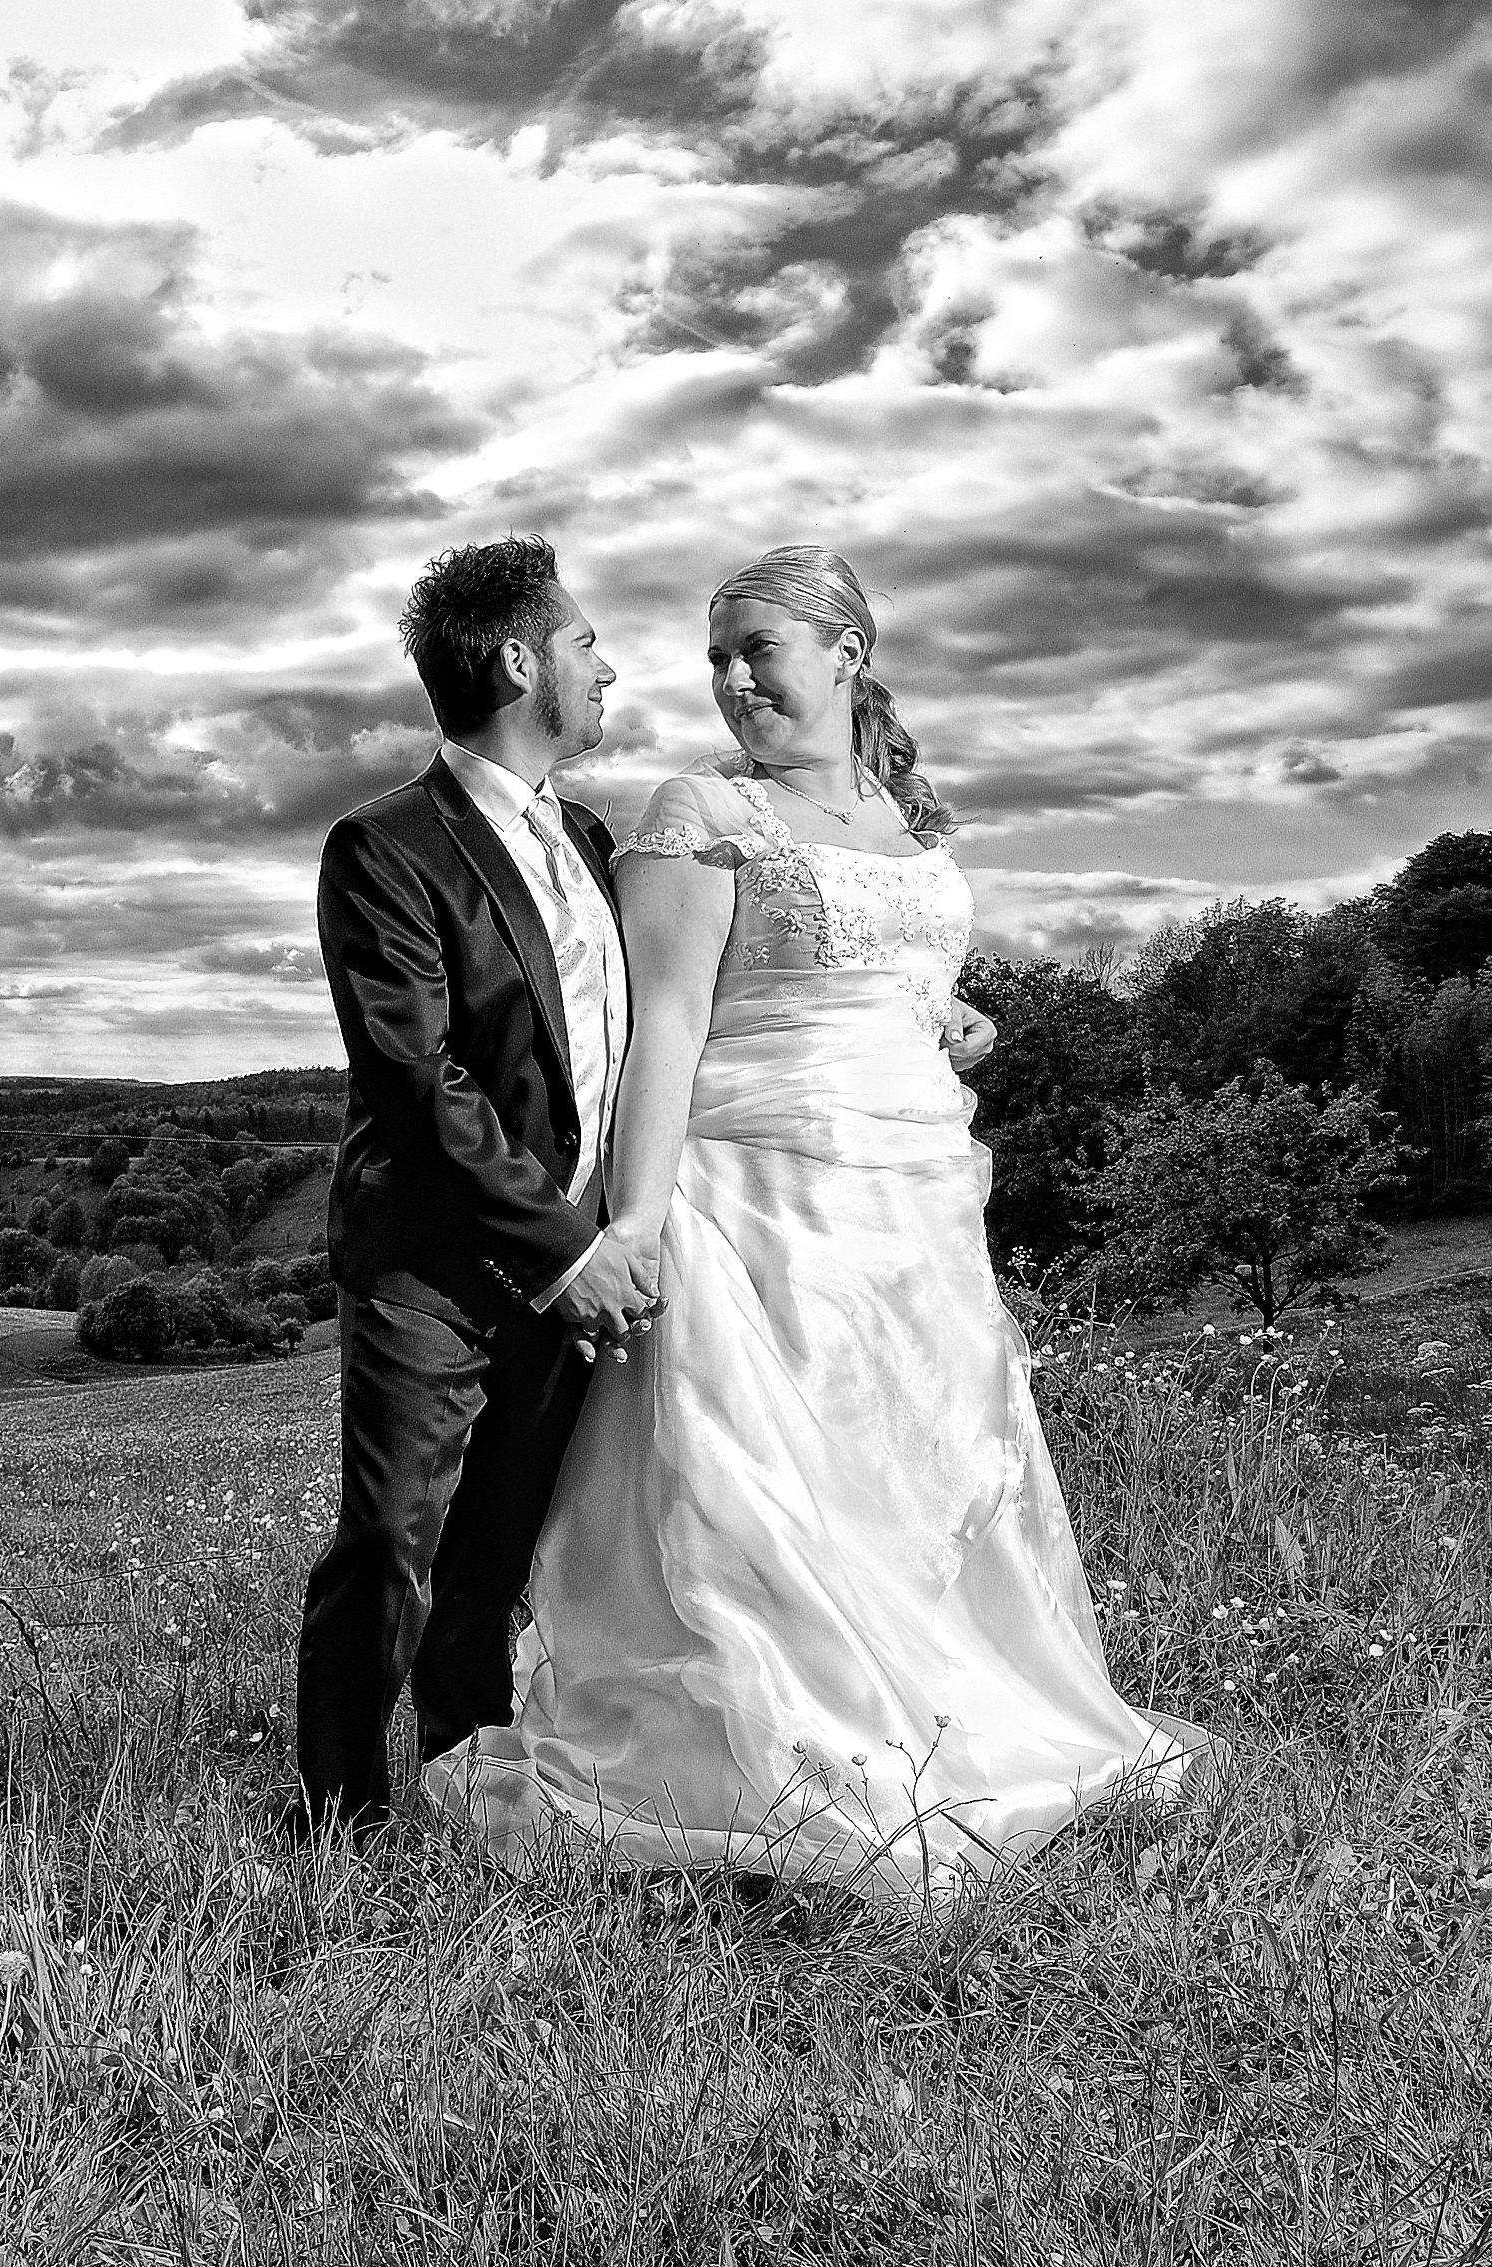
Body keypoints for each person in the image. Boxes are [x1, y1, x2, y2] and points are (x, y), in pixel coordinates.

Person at [422, 543, 1207, 1902]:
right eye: (714, 659)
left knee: (917, 1475)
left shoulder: (904, 817)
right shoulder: (697, 812)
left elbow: (894, 977)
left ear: (847, 654)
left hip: (911, 1209)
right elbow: (666, 1027)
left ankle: (944, 1718)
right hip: (756, 1205)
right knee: (769, 1500)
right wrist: (636, 1225)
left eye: (757, 651)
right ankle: (785, 1748)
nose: (731, 682)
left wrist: (953, 1018)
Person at [291, 537, 659, 1838]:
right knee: (391, 1538)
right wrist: (568, 1251)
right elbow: (417, 1082)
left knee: (495, 1555)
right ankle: (338, 1821)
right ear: (517, 661)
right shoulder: (383, 846)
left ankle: (468, 1790)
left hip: (569, 1272)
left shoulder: (596, 839)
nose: (605, 668)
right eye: (583, 643)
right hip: (433, 1263)